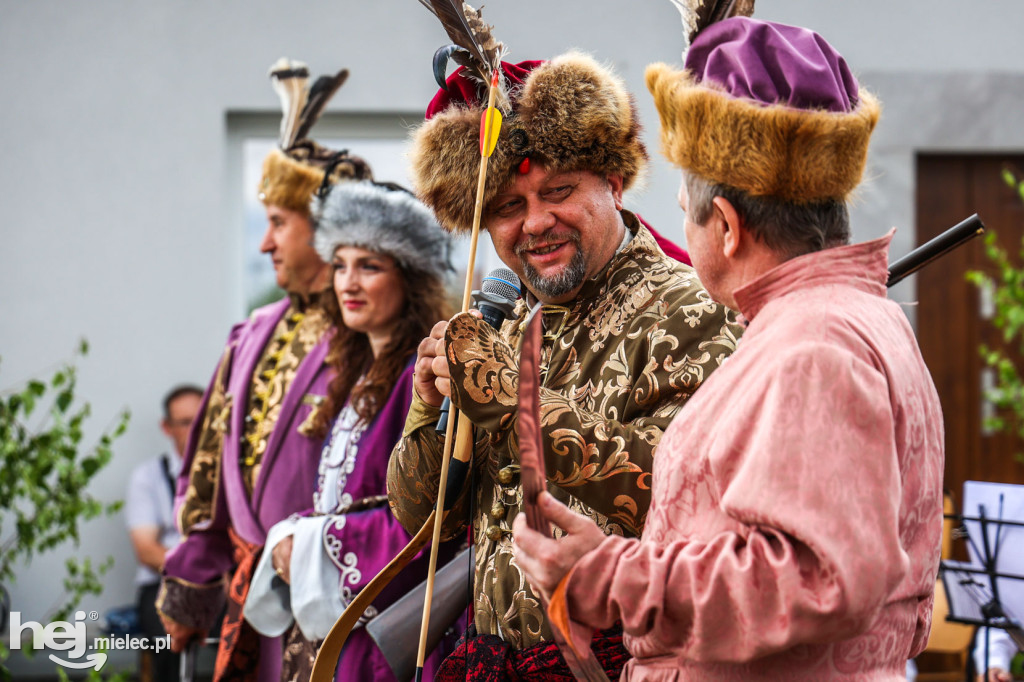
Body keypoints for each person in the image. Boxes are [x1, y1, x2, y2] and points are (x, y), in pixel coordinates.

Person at [512, 17, 946, 682]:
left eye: (688, 207)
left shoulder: (814, 345)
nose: (682, 222)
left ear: (728, 227)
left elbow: (816, 578)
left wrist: (606, 575)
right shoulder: (836, 323)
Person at [387, 51, 741, 679]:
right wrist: (428, 402)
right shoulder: (512, 320)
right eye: (506, 206)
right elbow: (423, 520)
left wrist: (508, 403)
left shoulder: (695, 309)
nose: (536, 223)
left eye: (558, 192)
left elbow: (686, 496)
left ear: (614, 182)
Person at [157, 58, 373, 682]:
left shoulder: (374, 336)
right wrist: (192, 575)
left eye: (279, 224)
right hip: (248, 603)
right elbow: (207, 469)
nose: (265, 243)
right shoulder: (253, 330)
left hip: (333, 604)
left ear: (327, 229)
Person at [242, 179, 456, 681]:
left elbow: (429, 522)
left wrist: (311, 544)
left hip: (387, 638)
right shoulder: (357, 376)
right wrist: (293, 533)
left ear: (410, 277)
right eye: (339, 265)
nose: (348, 283)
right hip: (346, 629)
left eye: (369, 266)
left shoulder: (420, 380)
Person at [125, 384, 202, 682]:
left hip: (226, 584)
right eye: (185, 422)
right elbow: (146, 551)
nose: (194, 430)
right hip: (165, 584)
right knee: (167, 633)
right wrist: (200, 574)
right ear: (166, 427)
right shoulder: (148, 476)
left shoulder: (232, 474)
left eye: (201, 420)